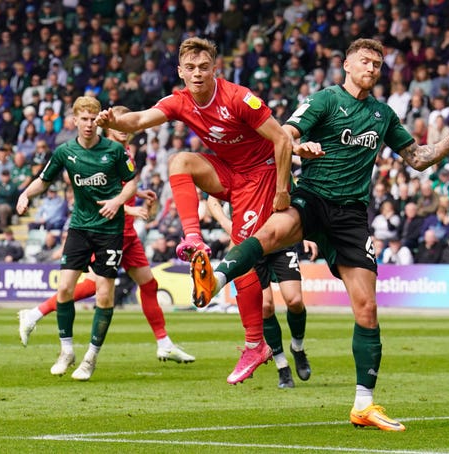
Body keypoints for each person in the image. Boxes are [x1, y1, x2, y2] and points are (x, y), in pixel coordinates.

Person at [190, 39, 449, 431]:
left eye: (378, 64)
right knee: (271, 232)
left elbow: (418, 159)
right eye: (365, 60)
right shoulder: (325, 100)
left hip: (351, 217)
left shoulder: (383, 115)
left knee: (367, 309)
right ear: (346, 64)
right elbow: (283, 135)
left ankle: (364, 406)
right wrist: (301, 147)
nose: (372, 67)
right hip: (314, 196)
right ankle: (215, 280)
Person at [95, 37, 293, 385]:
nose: (197, 73)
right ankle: (193, 238)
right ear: (180, 72)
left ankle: (255, 344)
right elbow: (139, 119)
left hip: (260, 176)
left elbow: (282, 140)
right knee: (179, 161)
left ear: (215, 68)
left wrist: (282, 191)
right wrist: (113, 121)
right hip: (229, 171)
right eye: (190, 68)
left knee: (241, 253)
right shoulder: (180, 101)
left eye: (204, 67)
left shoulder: (239, 98)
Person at [18, 106, 195, 365]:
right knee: (94, 287)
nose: (123, 127)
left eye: (126, 122)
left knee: (148, 284)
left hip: (127, 233)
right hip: (105, 229)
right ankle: (35, 314)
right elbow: (100, 197)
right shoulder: (103, 151)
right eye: (117, 123)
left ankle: (163, 343)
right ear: (108, 125)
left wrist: (140, 193)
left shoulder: (123, 152)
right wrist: (132, 207)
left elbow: (123, 186)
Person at [16, 96, 138, 381]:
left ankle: (90, 358)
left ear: (99, 121)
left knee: (105, 295)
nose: (88, 124)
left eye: (92, 119)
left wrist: (118, 201)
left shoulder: (115, 151)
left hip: (109, 230)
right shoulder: (64, 152)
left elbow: (132, 182)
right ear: (74, 121)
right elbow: (44, 180)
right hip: (80, 228)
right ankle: (66, 351)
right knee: (65, 290)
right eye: (83, 119)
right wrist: (24, 194)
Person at [207, 195, 317, 389]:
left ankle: (297, 348)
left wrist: (306, 233)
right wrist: (227, 223)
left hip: (281, 240)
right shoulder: (233, 169)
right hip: (250, 246)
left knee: (295, 301)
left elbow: (296, 200)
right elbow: (212, 200)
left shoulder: (276, 167)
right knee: (265, 306)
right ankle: (282, 367)